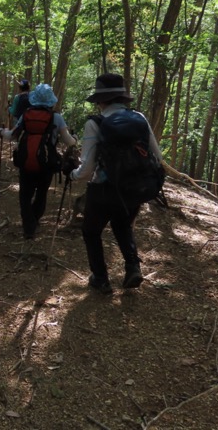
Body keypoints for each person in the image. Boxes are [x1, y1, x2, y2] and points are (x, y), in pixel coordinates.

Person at [68, 73, 162, 293]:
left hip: (103, 190)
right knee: (123, 226)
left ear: (101, 100)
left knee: (91, 232)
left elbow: (87, 169)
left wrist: (72, 174)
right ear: (122, 98)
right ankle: (132, 268)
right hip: (134, 189)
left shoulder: (94, 123)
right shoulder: (139, 118)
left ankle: (100, 278)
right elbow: (157, 157)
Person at [0, 84, 76, 239]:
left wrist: (0, 132)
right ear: (51, 100)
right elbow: (69, 141)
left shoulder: (26, 114)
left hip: (26, 160)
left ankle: (29, 227)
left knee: (25, 195)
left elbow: (12, 135)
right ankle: (34, 220)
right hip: (47, 164)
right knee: (41, 194)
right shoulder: (56, 117)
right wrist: (75, 139)